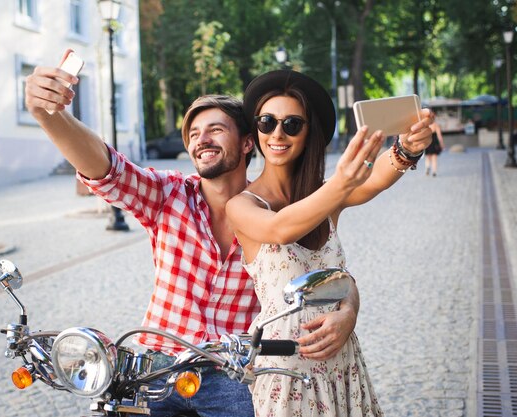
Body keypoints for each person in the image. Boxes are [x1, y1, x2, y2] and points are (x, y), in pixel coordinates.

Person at [24, 51, 361, 417]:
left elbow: (324, 271)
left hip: (232, 373)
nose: (202, 139)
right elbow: (106, 168)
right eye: (194, 134)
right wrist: (49, 115)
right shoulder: (167, 194)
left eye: (216, 129)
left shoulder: (278, 210)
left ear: (249, 142)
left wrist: (349, 310)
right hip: (157, 366)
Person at [226, 70, 434, 416]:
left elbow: (377, 179)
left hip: (341, 359)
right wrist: (340, 184)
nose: (277, 133)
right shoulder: (242, 205)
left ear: (309, 133)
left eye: (292, 124)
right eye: (266, 122)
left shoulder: (325, 194)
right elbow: (281, 229)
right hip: (284, 368)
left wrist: (406, 148)